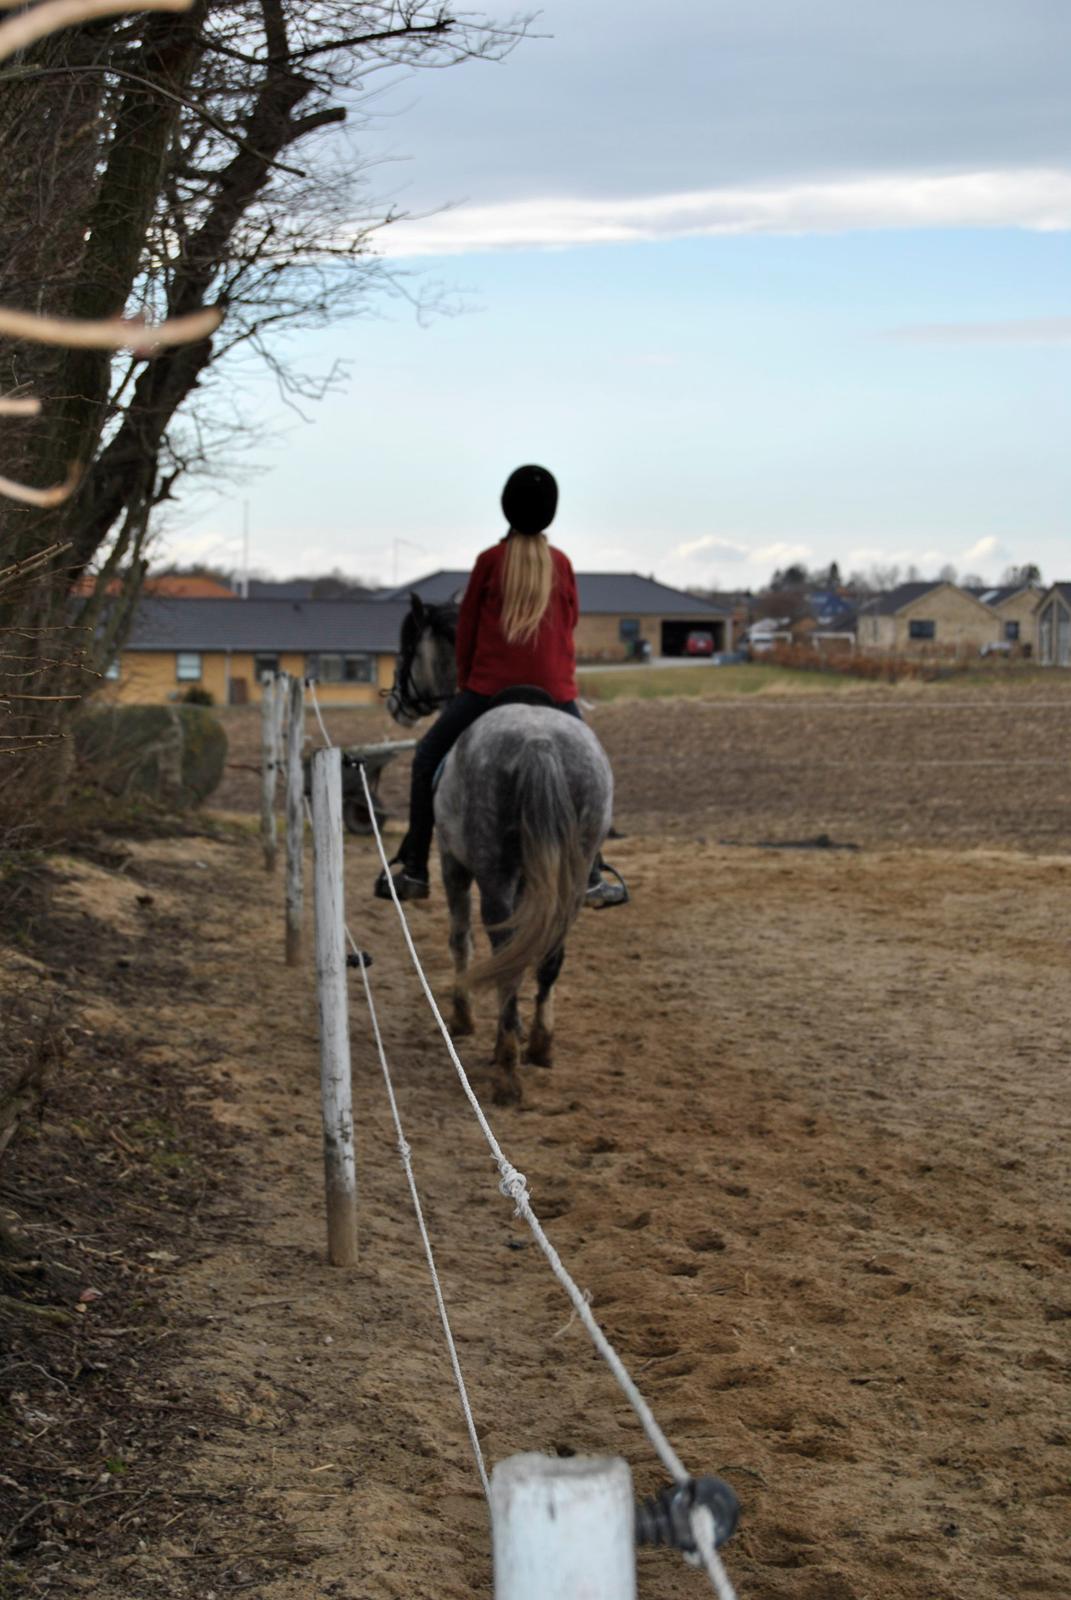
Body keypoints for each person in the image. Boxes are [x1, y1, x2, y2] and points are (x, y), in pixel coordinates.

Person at [373, 464, 628, 908]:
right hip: (555, 691)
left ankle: (414, 867)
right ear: (550, 512)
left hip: (489, 690)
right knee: (591, 764)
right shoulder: (562, 563)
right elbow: (569, 625)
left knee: (427, 756)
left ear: (507, 507)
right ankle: (590, 874)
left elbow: (467, 632)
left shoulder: (490, 562)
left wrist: (470, 683)